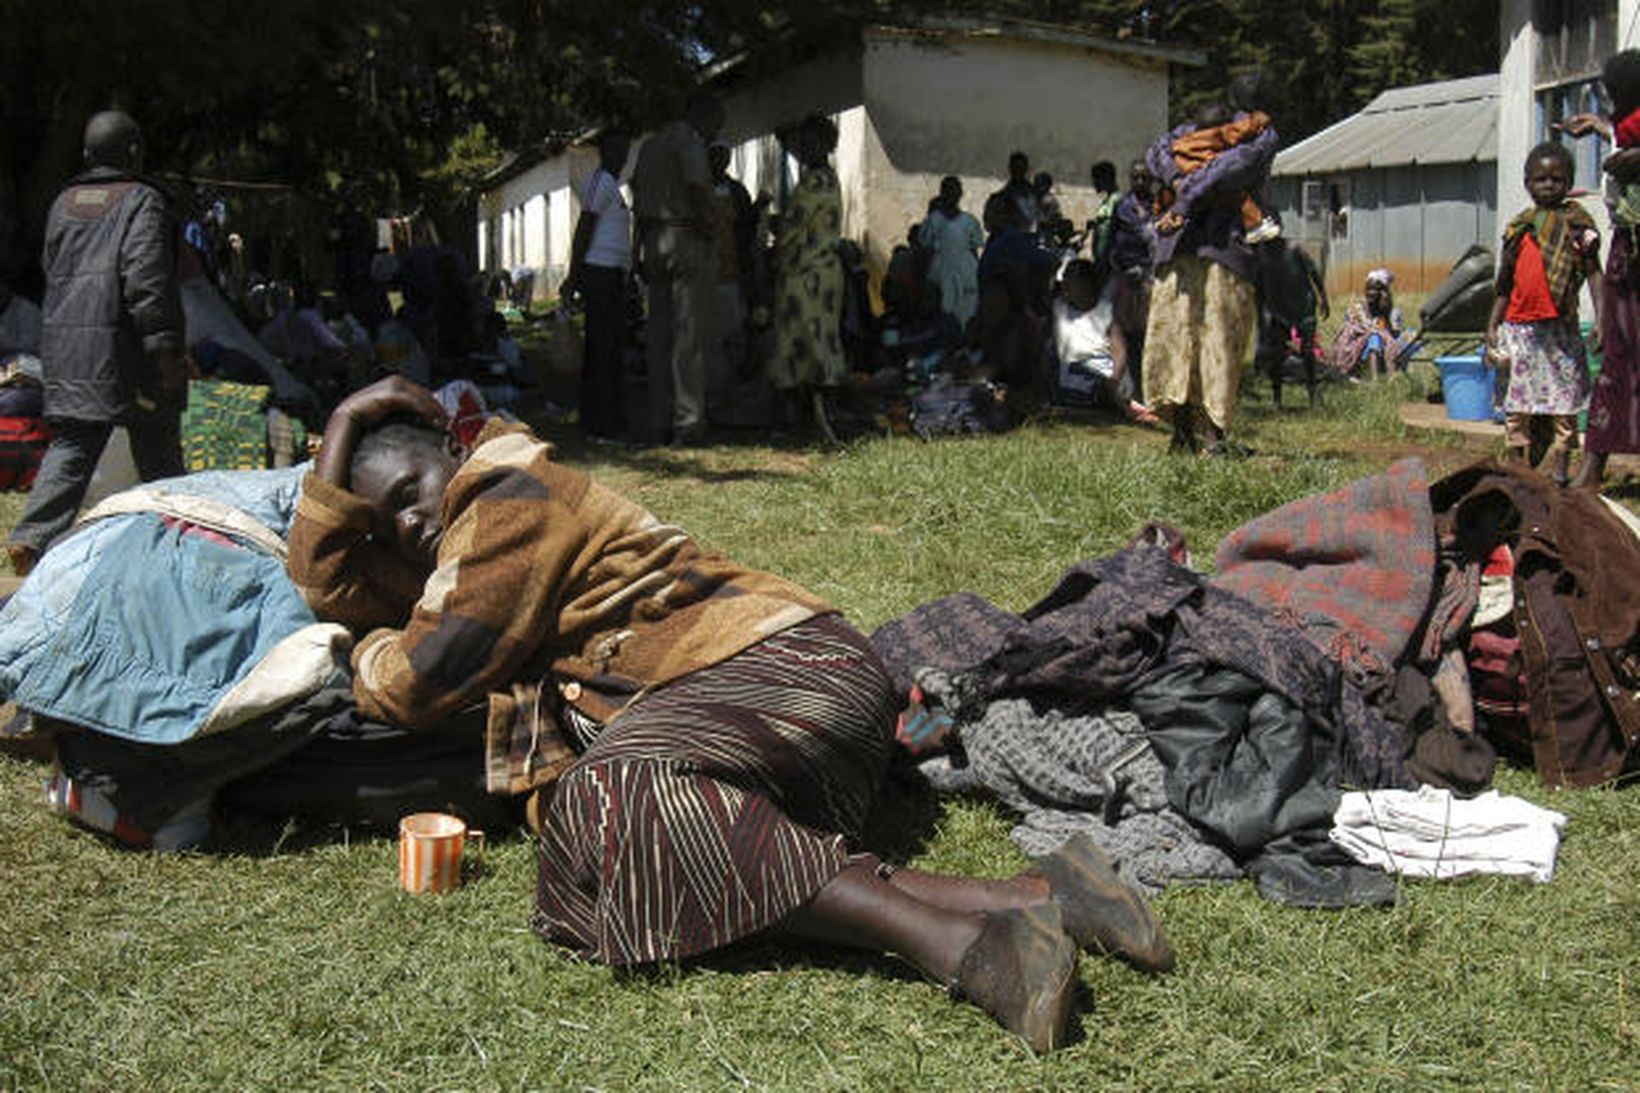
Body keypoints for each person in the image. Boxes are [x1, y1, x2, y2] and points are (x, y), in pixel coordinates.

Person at [286, 375, 1175, 1053]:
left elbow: (414, 676)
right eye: (385, 521)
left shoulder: (508, 496)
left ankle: (958, 944)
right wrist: (336, 459)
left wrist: (366, 642)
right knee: (586, 869)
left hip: (788, 668)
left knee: (612, 794)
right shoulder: (460, 548)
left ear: (456, 445)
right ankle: (1040, 895)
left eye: (412, 489)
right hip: (753, 726)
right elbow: (337, 588)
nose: (409, 522)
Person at [6, 110, 186, 577]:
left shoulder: (63, 202)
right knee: (159, 443)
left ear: (87, 154)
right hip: (127, 353)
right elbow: (146, 276)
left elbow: (53, 269)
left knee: (74, 444)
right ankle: (183, 536)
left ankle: (31, 535)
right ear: (136, 151)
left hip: (66, 346)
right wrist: (163, 347)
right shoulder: (142, 200)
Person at [1142, 73, 1279, 456]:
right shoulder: (1256, 131)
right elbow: (1218, 170)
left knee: (1196, 339)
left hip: (1196, 246)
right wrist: (1184, 189)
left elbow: (1223, 167)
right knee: (1196, 340)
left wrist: (1181, 191)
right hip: (1207, 247)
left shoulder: (1206, 130)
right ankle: (1192, 434)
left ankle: (1206, 434)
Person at [1485, 142, 1601, 484]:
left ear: (1569, 183)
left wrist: (1603, 321)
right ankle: (1518, 469)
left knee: (1563, 405)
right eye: (1540, 179)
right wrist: (1491, 324)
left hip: (1559, 331)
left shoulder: (1580, 228)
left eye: (1557, 178)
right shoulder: (1518, 230)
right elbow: (1504, 284)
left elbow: (1595, 274)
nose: (1549, 185)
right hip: (1520, 330)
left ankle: (1561, 471)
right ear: (1527, 183)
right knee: (1517, 405)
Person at [1562, 49, 1640, 490]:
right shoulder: (1629, 124)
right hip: (1628, 250)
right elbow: (1627, 140)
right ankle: (1593, 466)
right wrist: (1600, 128)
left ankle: (1594, 467)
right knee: (1616, 354)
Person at [631, 92, 722, 446]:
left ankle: (659, 418)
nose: (716, 133)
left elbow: (636, 197)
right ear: (704, 115)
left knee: (659, 336)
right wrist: (709, 223)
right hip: (685, 237)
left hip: (653, 241)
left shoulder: (649, 147)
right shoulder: (689, 143)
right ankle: (689, 421)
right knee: (689, 335)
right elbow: (697, 187)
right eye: (716, 124)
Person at [769, 114, 847, 444]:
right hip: (826, 272)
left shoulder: (814, 182)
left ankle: (804, 422)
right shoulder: (830, 178)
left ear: (825, 144)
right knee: (821, 343)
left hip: (804, 275)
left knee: (797, 346)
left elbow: (792, 229)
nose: (803, 148)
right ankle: (821, 419)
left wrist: (775, 230)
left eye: (809, 142)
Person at [562, 130, 633, 444]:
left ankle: (605, 420)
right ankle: (601, 425)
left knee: (610, 348)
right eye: (619, 150)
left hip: (613, 274)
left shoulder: (614, 188)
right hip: (599, 273)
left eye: (626, 150)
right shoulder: (601, 182)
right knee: (603, 350)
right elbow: (584, 229)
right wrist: (573, 277)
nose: (624, 157)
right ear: (607, 153)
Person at [1153, 91, 1281, 245]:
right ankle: (1255, 226)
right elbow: (1218, 170)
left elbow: (1156, 150)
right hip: (1202, 188)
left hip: (1182, 180)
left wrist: (1175, 180)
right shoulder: (1222, 134)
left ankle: (1161, 219)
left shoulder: (1182, 137)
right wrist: (1258, 121)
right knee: (1236, 195)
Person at [1050, 258, 1158, 424]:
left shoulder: (1106, 311)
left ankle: (1129, 409)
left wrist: (1114, 379)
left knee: (1104, 386)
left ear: (1087, 283)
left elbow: (1119, 352)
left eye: (1070, 278)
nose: (1065, 283)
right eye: (1064, 278)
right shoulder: (1059, 308)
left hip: (1102, 369)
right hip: (1068, 368)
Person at [1253, 221, 1330, 408]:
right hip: (1278, 309)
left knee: (1307, 350)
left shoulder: (1294, 249)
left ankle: (1313, 395)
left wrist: (1323, 298)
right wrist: (1262, 314)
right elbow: (1259, 287)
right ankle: (1277, 399)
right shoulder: (1261, 256)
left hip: (1303, 305)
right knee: (1277, 353)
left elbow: (1314, 274)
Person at [1109, 158, 1158, 393]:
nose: (1140, 182)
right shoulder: (1122, 206)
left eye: (1144, 178)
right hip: (1124, 278)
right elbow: (1111, 242)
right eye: (1135, 177)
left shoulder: (1159, 206)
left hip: (1149, 278)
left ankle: (1148, 389)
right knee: (1124, 334)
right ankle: (1130, 389)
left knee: (1147, 336)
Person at [917, 176, 985, 329]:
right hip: (940, 275)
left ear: (960, 194)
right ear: (942, 193)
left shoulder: (970, 222)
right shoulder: (933, 221)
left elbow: (974, 250)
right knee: (942, 318)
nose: (951, 195)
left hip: (966, 274)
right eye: (947, 191)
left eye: (954, 191)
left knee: (966, 318)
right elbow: (925, 252)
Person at [1328, 270, 1408, 379]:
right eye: (1368, 289)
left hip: (1386, 351)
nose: (1369, 293)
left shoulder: (1393, 312)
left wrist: (1385, 321)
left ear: (1382, 292)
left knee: (1409, 335)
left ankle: (1395, 372)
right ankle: (1374, 379)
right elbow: (1348, 333)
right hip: (1358, 352)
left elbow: (1394, 334)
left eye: (1374, 289)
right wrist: (1369, 332)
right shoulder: (1356, 309)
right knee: (1374, 339)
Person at [984, 151, 1038, 236]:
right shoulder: (998, 199)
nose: (1018, 171)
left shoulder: (1037, 196)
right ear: (1010, 168)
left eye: (1021, 167)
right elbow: (989, 225)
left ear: (1026, 169)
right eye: (1015, 167)